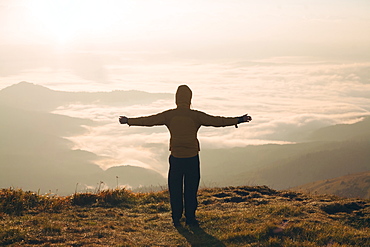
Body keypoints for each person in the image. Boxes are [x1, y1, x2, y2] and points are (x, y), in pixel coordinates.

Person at [119, 85, 251, 227]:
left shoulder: (169, 115)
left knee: (175, 189)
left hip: (176, 158)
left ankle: (176, 218)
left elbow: (149, 120)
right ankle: (190, 218)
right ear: (190, 99)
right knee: (191, 189)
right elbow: (218, 121)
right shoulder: (196, 116)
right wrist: (238, 120)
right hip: (192, 158)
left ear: (176, 99)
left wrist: (129, 121)